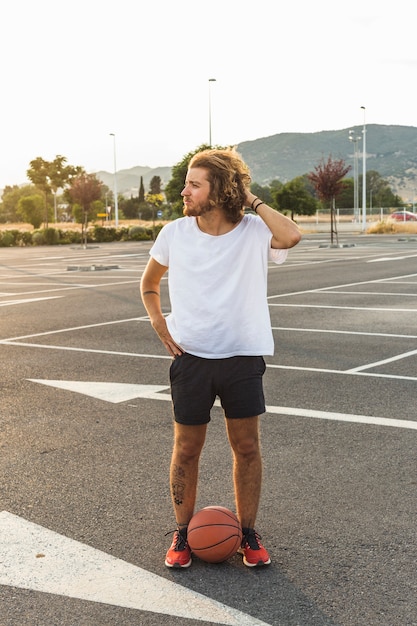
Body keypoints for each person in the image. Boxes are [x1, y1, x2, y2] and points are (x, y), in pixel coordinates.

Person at [140, 148, 301, 568]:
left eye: (195, 184)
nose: (184, 190)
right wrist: (160, 324)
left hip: (242, 357)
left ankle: (247, 534)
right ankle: (182, 533)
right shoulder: (175, 232)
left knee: (246, 446)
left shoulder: (252, 231)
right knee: (187, 448)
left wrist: (251, 199)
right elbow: (149, 284)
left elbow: (291, 236)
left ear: (220, 189)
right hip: (191, 357)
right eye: (186, 183)